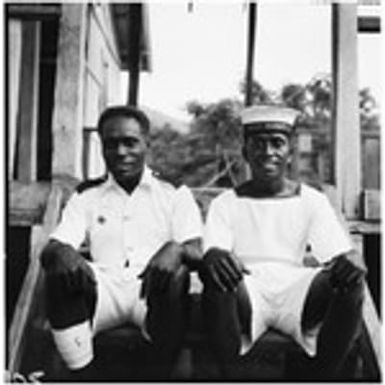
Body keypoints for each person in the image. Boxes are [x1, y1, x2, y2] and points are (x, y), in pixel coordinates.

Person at [199, 105, 366, 380]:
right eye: (258, 144)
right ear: (245, 152)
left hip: (296, 288)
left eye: (277, 143)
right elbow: (215, 251)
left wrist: (349, 259)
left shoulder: (311, 199)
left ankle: (322, 377)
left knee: (351, 280)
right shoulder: (225, 203)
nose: (268, 152)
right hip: (247, 288)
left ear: (290, 153)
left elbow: (337, 255)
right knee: (217, 275)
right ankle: (231, 376)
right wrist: (214, 256)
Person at [40, 105, 203, 380]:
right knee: (59, 267)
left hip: (153, 293)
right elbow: (53, 248)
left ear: (147, 144)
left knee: (177, 274)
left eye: (130, 142)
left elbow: (197, 250)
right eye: (111, 144)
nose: (121, 152)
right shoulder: (87, 195)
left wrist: (175, 249)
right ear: (102, 147)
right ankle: (83, 375)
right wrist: (62, 251)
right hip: (104, 291)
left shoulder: (173, 192)